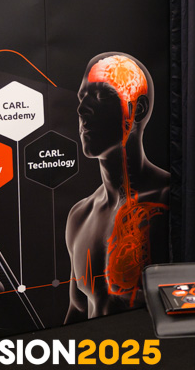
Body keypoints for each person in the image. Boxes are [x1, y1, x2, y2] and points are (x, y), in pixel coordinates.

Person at [65, 52, 169, 322]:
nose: (82, 110)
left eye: (101, 96)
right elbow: (77, 312)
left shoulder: (169, 201)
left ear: (138, 109)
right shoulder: (80, 215)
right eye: (82, 98)